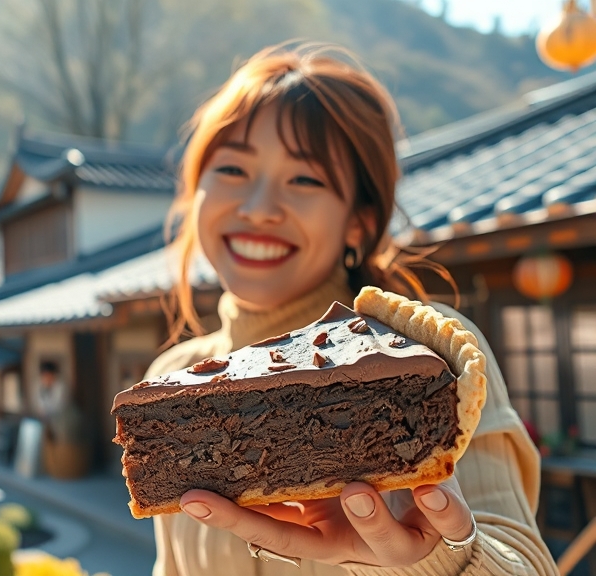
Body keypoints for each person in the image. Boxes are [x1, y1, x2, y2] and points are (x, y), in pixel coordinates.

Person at [145, 42, 557, 575]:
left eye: (305, 179)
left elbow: (527, 562)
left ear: (360, 222)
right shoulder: (170, 388)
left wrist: (427, 559)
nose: (258, 209)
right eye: (232, 170)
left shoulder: (427, 361)